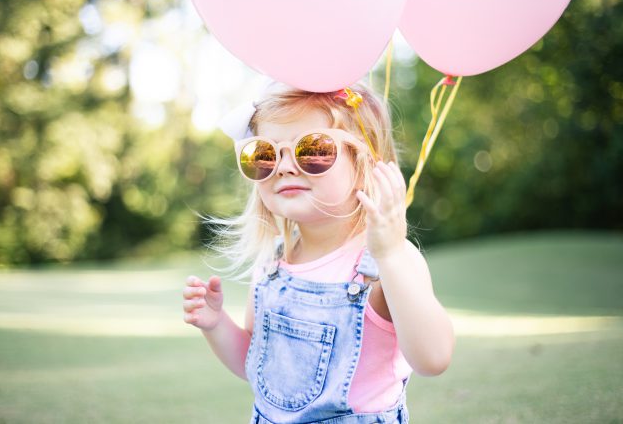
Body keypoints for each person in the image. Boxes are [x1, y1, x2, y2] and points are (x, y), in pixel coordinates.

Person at [183, 80, 455, 423]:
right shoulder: (272, 265)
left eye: (312, 151)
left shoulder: (386, 261)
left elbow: (434, 358)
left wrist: (389, 256)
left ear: (363, 163)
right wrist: (216, 324)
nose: (282, 167)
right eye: (264, 155)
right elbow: (259, 368)